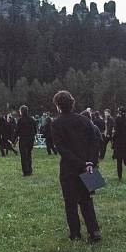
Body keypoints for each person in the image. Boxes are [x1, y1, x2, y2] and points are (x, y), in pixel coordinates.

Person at [51, 90, 102, 243]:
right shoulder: (85, 121)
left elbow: (62, 149)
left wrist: (82, 163)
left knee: (70, 202)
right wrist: (91, 162)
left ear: (58, 106)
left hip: (69, 168)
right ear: (72, 103)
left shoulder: (56, 123)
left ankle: (75, 234)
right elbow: (95, 142)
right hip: (88, 168)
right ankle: (94, 231)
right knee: (86, 200)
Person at [16, 105, 37, 176]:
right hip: (31, 139)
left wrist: (13, 140)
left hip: (23, 139)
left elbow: (17, 131)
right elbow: (35, 129)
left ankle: (26, 171)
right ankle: (30, 170)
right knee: (29, 154)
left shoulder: (20, 120)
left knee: (23, 156)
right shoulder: (32, 119)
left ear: (21, 112)